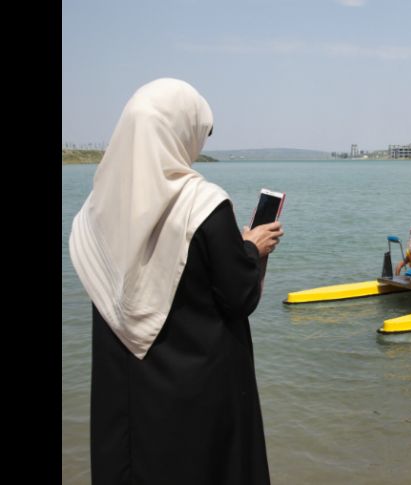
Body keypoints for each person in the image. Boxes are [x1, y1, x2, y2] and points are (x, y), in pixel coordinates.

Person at [69, 78, 283, 484]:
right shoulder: (203, 204)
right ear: (179, 133)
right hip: (198, 391)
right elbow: (238, 297)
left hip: (126, 389)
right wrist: (253, 249)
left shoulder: (95, 211)